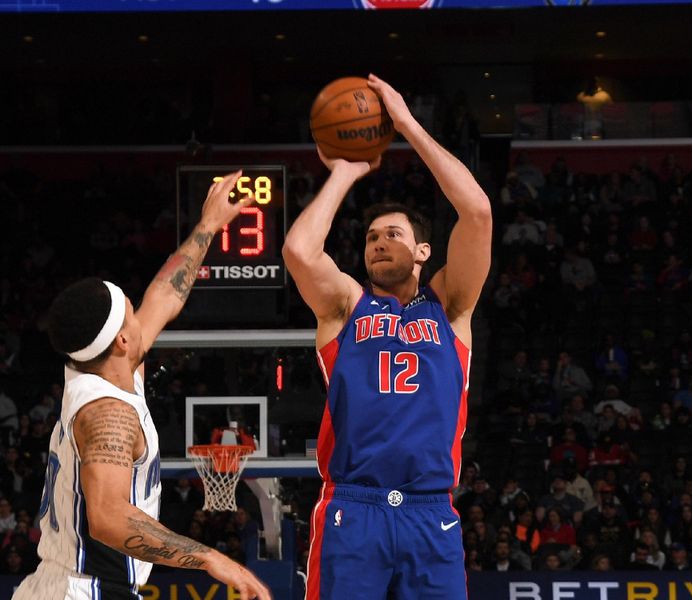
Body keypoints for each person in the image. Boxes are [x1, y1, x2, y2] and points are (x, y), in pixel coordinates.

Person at [13, 172, 272, 600]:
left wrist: (208, 224)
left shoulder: (100, 364)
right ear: (122, 340)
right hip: (86, 590)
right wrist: (210, 558)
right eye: (131, 313)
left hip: (72, 584)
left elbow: (164, 296)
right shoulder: (106, 411)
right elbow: (109, 516)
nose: (141, 314)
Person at [283, 73, 492, 600]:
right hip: (354, 507)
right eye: (372, 237)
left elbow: (478, 211)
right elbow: (300, 252)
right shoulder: (346, 307)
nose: (379, 243)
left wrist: (406, 125)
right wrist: (345, 173)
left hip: (431, 510)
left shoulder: (452, 306)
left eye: (393, 235)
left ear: (423, 251)